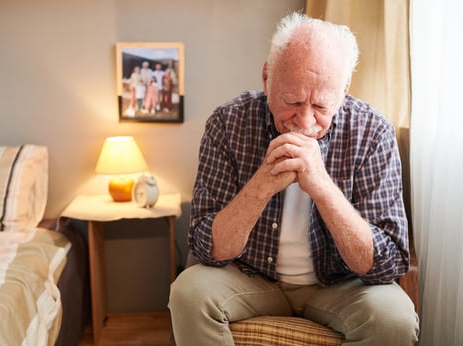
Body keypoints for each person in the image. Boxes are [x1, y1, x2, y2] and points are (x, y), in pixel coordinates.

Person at [168, 12, 419, 346]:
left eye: (320, 105)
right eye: (292, 101)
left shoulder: (373, 132)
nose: (304, 121)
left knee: (395, 318)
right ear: (267, 78)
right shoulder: (228, 123)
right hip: (249, 277)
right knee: (188, 293)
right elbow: (206, 247)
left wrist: (322, 187)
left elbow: (387, 264)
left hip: (339, 286)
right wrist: (262, 185)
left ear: (343, 91)